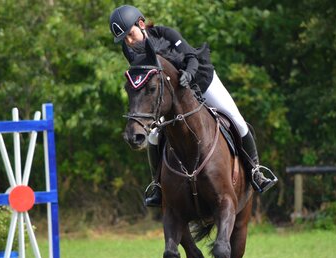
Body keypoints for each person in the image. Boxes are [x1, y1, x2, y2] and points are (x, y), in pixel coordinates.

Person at [109, 5, 277, 207]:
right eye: (124, 39)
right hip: (174, 97)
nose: (128, 41)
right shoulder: (129, 49)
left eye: (130, 34)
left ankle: (255, 171)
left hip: (201, 80)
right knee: (154, 135)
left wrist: (187, 73)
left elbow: (191, 57)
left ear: (141, 24)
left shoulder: (165, 33)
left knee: (237, 121)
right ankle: (157, 186)